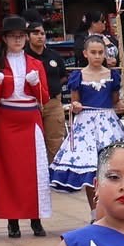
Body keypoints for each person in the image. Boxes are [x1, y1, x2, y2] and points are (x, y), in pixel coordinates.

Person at [0, 17, 50, 238]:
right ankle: (12, 221)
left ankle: (36, 219)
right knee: (8, 172)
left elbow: (44, 99)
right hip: (7, 120)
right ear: (4, 38)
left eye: (21, 36)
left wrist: (35, 84)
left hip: (30, 118)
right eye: (13, 36)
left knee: (35, 170)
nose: (18, 40)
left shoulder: (36, 64)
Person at [49, 34, 124, 204]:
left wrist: (120, 105)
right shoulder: (79, 76)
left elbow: (115, 102)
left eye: (101, 52)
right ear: (85, 54)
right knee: (90, 169)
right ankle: (94, 211)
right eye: (94, 52)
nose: (98, 56)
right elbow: (75, 101)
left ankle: (109, 207)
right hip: (86, 126)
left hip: (108, 125)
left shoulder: (112, 75)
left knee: (111, 167)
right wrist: (76, 106)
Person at [25, 19, 70, 163]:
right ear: (28, 36)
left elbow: (64, 76)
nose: (40, 36)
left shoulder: (54, 56)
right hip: (31, 104)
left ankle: (55, 174)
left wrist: (53, 86)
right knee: (32, 141)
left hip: (53, 102)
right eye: (35, 33)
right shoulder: (23, 57)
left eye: (42, 33)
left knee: (56, 140)